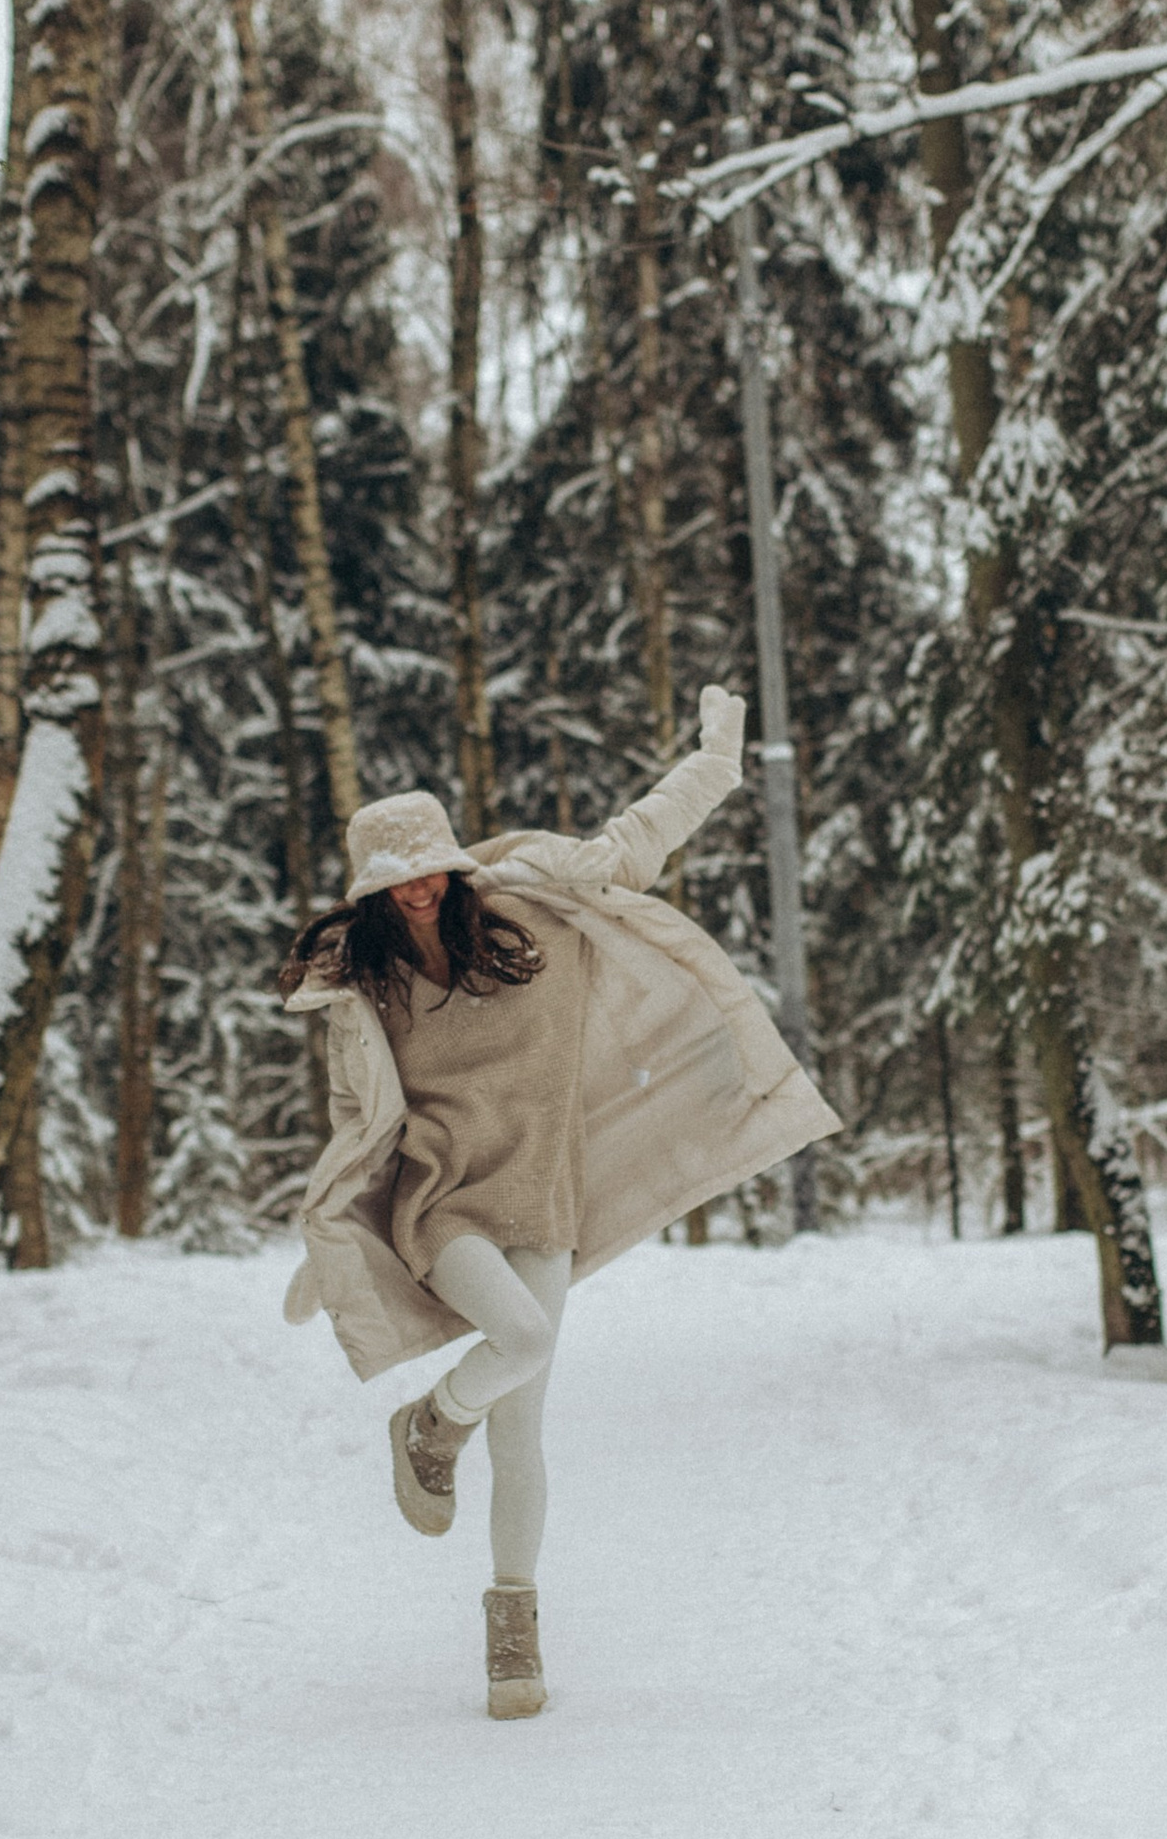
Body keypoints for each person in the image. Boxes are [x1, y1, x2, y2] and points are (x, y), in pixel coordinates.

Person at [279, 686, 839, 1718]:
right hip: (441, 1201)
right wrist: (330, 1250)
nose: (413, 893)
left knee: (523, 1424)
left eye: (426, 872)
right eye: (391, 882)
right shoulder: (365, 986)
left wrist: (718, 754)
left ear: (452, 862)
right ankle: (428, 1428)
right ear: (369, 890)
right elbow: (356, 1128)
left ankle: (512, 1632)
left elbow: (645, 829)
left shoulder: (538, 905)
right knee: (523, 1342)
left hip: (542, 1193)